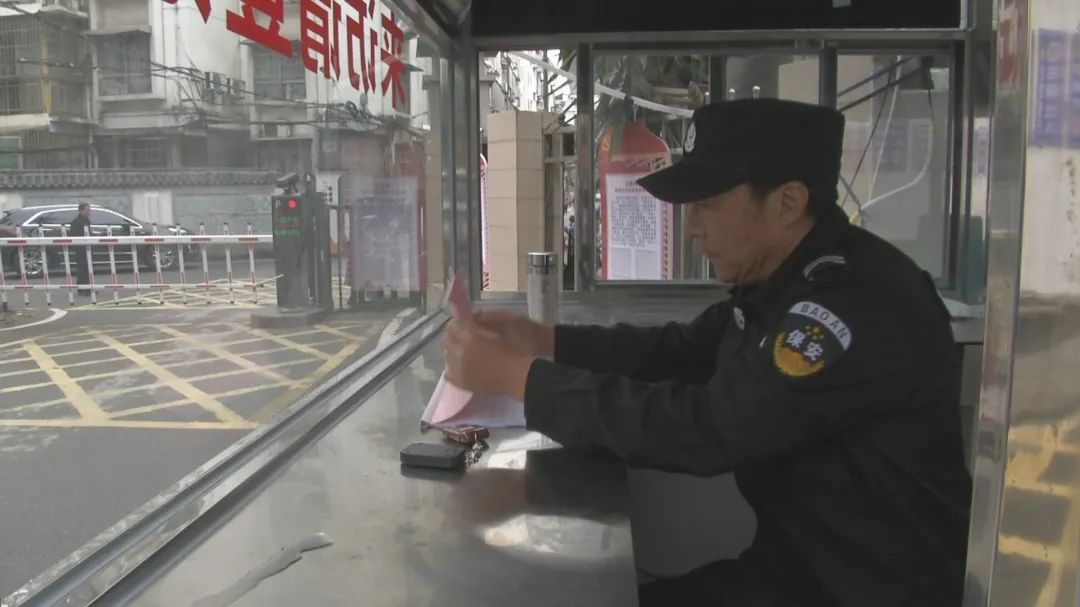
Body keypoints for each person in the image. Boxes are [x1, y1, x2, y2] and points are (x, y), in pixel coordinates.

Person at [443, 98, 972, 607]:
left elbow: (709, 429)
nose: (692, 227)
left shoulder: (848, 304)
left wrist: (521, 380)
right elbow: (681, 350)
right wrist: (546, 342)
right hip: (794, 576)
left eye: (708, 205)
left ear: (787, 203)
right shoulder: (782, 282)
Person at [69, 203, 91, 296]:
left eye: (89, 210)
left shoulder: (86, 220)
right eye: (87, 210)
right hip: (80, 249)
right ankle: (82, 289)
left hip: (87, 247)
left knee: (87, 269)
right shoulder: (76, 222)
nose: (89, 212)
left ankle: (88, 287)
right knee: (82, 269)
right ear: (81, 210)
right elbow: (75, 236)